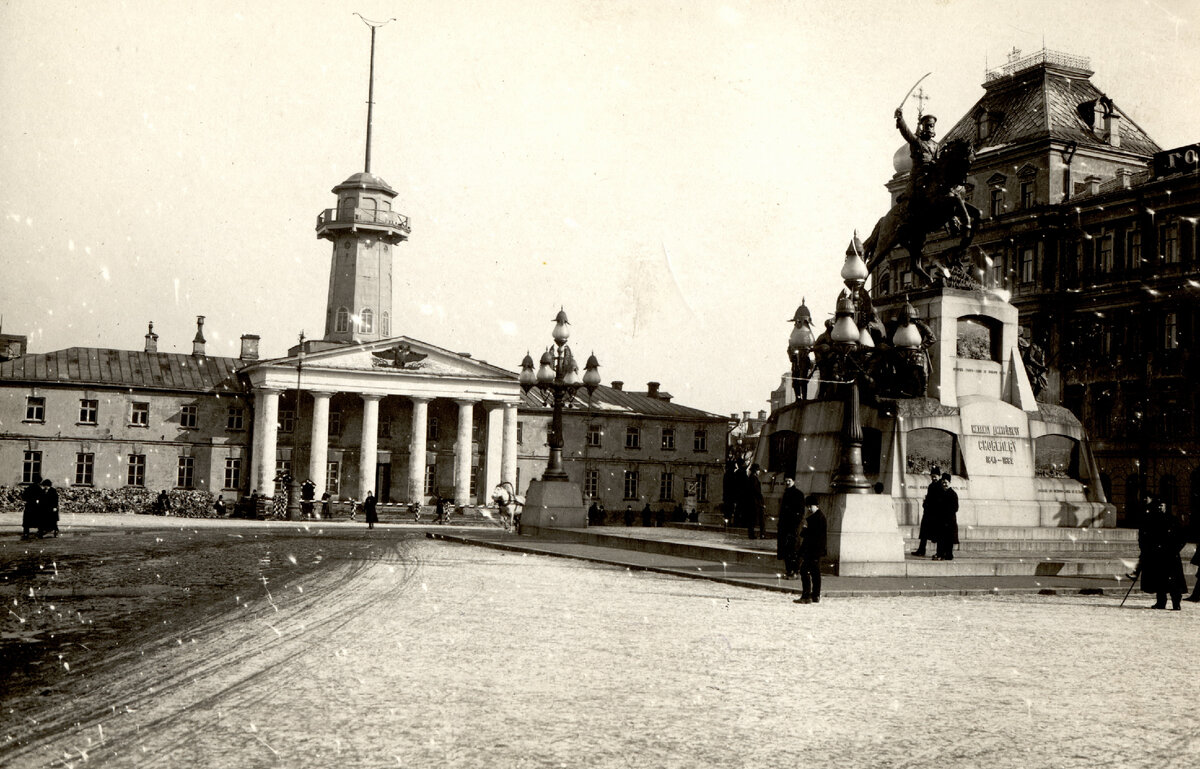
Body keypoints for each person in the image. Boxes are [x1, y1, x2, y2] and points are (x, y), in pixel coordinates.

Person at [1138, 499, 1186, 610]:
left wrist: (1175, 549)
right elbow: (1144, 536)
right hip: (1157, 555)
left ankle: (1176, 603)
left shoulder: (1173, 520)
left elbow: (1182, 538)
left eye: (1162, 505)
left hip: (1171, 555)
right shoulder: (1151, 521)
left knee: (1174, 582)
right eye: (1158, 505)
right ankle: (1161, 602)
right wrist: (1147, 549)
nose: (1160, 507)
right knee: (1160, 581)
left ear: (1165, 506)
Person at [796, 494, 827, 603]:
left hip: (812, 550)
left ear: (816, 505)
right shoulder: (821, 517)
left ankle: (806, 595)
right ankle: (815, 595)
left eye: (810, 506)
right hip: (817, 550)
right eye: (808, 506)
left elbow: (806, 535)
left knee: (804, 571)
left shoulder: (813, 519)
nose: (809, 508)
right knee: (815, 573)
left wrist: (804, 528)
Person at [776, 476, 805, 579]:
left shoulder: (798, 494)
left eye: (789, 480)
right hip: (784, 526)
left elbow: (800, 512)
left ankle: (795, 571)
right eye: (786, 481)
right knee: (786, 550)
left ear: (794, 481)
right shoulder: (785, 493)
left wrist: (795, 524)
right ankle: (789, 570)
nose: (787, 482)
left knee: (793, 550)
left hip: (793, 527)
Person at [912, 466, 942, 557]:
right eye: (932, 476)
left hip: (936, 514)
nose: (933, 477)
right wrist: (925, 503)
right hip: (928, 513)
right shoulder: (931, 486)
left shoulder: (940, 486)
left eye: (935, 476)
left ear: (939, 476)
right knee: (924, 533)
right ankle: (921, 550)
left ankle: (939, 552)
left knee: (938, 535)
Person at [933, 473, 959, 561]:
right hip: (940, 520)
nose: (944, 484)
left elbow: (955, 508)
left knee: (949, 539)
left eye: (946, 482)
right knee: (940, 539)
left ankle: (948, 554)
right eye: (943, 482)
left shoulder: (953, 494)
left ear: (950, 483)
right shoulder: (939, 493)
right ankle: (940, 553)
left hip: (949, 521)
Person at [745, 464, 765, 540]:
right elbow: (757, 492)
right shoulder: (754, 479)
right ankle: (762, 534)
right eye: (758, 470)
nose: (759, 471)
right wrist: (762, 502)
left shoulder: (750, 478)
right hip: (755, 502)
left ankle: (751, 534)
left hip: (751, 501)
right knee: (760, 519)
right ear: (755, 471)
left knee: (752, 519)